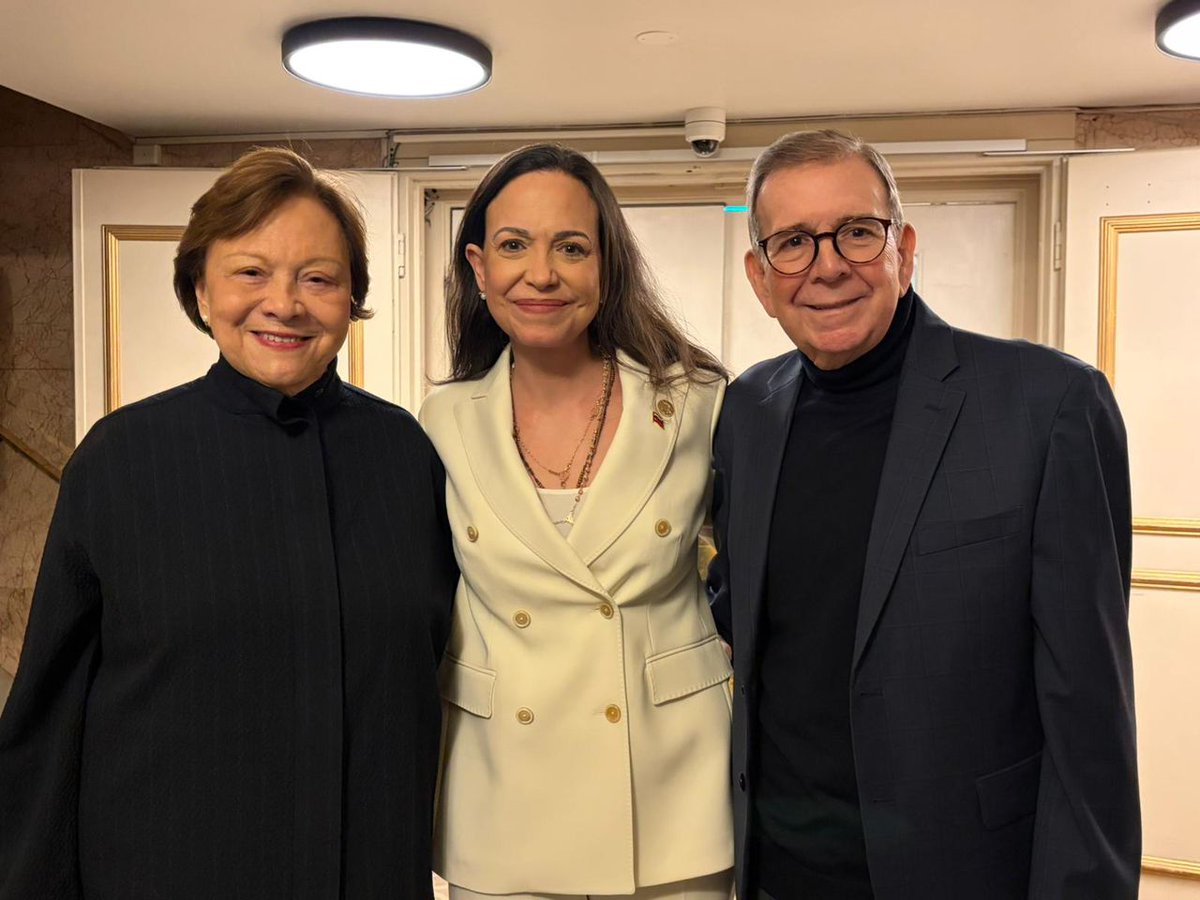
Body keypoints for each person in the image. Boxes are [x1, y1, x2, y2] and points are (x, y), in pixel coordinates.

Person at [0, 147, 457, 899]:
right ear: (200, 288)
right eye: (251, 271)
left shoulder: (406, 456)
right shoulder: (120, 462)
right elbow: (48, 721)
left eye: (319, 277)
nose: (285, 302)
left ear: (351, 298)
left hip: (370, 875)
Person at [708, 129, 1140, 900]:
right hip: (780, 868)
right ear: (760, 276)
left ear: (903, 249)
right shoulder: (747, 411)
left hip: (964, 870)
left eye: (857, 232)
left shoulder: (1049, 406)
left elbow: (1089, 714)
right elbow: (747, 613)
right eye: (794, 243)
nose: (828, 264)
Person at [420, 143, 733, 900]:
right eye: (513, 246)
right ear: (478, 266)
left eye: (571, 247)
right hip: (504, 802)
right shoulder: (440, 422)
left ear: (606, 264)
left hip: (671, 799)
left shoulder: (697, 404)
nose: (541, 274)